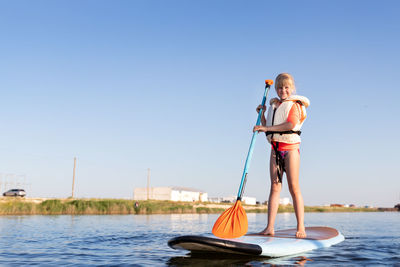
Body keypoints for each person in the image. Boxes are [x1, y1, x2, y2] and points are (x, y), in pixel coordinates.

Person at [253, 73, 310, 238]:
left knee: (293, 188)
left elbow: (290, 124)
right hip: (275, 150)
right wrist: (262, 116)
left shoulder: (294, 105)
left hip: (290, 150)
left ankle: (301, 228)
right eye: (279, 87)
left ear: (292, 88)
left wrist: (265, 129)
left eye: (286, 87)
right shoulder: (274, 105)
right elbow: (268, 126)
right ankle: (269, 227)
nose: (283, 90)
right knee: (275, 187)